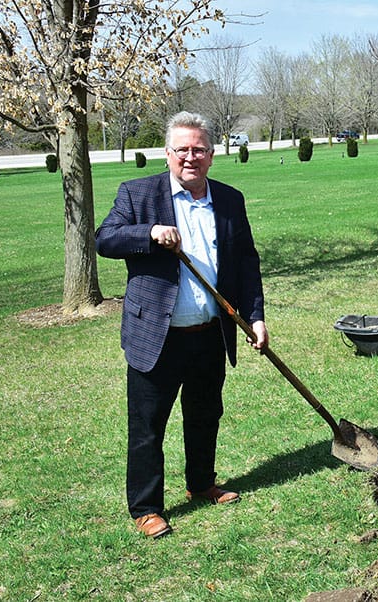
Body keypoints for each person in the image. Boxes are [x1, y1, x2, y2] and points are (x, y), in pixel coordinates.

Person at [96, 111, 269, 538]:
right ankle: (147, 507)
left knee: (205, 413)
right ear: (168, 154)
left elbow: (246, 263)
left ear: (211, 154)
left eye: (199, 149)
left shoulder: (229, 199)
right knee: (148, 426)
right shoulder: (138, 194)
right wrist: (150, 232)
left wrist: (257, 317)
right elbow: (105, 239)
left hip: (210, 332)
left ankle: (201, 484)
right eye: (182, 150)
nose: (190, 157)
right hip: (156, 335)